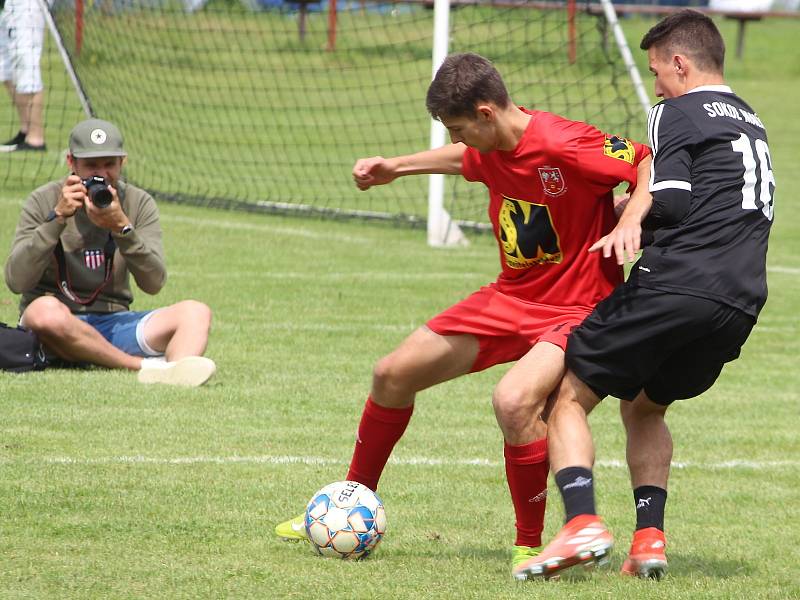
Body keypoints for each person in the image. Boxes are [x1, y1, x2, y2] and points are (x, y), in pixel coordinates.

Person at [274, 52, 651, 574]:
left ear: (486, 112)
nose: (457, 140)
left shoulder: (565, 142)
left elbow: (644, 158)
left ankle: (529, 543)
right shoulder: (487, 146)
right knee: (391, 374)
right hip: (510, 297)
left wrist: (629, 217)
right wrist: (395, 168)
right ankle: (349, 502)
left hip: (577, 307)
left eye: (459, 128)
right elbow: (462, 160)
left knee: (516, 404)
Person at [513, 10, 775, 581]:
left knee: (568, 396)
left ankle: (580, 521)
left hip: (678, 282)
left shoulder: (674, 111)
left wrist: (624, 217)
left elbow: (674, 200)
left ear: (680, 64)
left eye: (657, 71)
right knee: (646, 405)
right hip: (741, 301)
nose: (654, 84)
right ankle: (650, 540)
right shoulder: (750, 120)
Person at [4, 117, 217, 386]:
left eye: (109, 164)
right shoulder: (43, 199)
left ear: (122, 162)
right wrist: (56, 219)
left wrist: (122, 228)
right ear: (71, 163)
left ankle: (175, 374)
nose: (101, 175)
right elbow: (16, 281)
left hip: (113, 322)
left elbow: (154, 283)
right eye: (91, 165)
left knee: (195, 313)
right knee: (43, 312)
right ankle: (145, 367)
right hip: (54, 327)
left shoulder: (138, 203)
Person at [0, 0, 47, 152]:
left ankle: (36, 139)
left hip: (28, 5)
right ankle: (26, 130)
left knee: (27, 66)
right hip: (10, 5)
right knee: (5, 68)